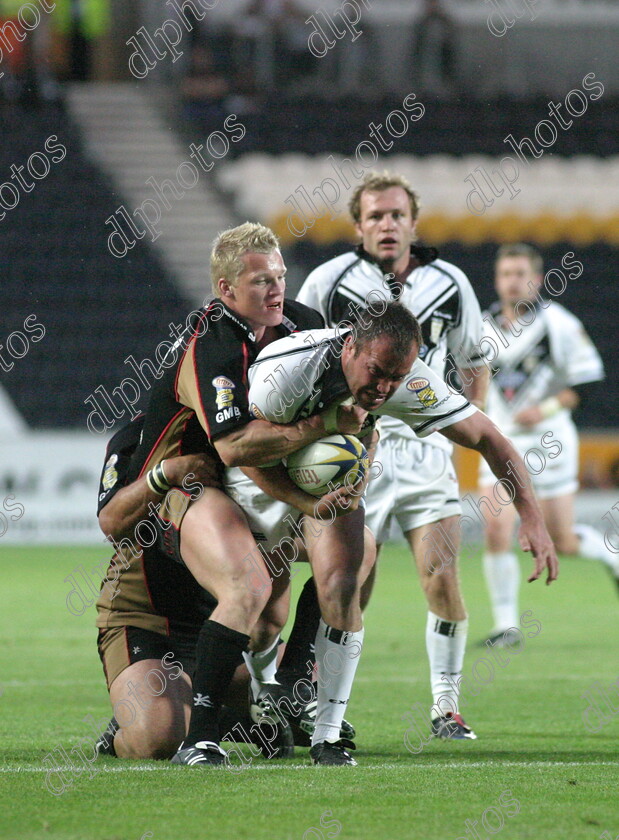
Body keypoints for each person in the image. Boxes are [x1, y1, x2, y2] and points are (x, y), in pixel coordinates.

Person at [247, 302, 559, 757]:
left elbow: (490, 438)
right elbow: (239, 449)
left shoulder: (409, 380)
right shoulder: (287, 372)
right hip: (257, 474)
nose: (384, 387)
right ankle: (259, 699)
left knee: (344, 578)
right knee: (261, 613)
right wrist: (315, 454)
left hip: (332, 484)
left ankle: (326, 734)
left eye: (398, 375)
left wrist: (532, 518)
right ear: (350, 346)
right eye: (376, 371)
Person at [122, 222, 369, 767]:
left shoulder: (304, 326)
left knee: (359, 554)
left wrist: (358, 456)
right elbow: (232, 449)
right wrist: (323, 428)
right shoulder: (209, 343)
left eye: (279, 277)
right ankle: (200, 738)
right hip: (195, 482)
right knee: (249, 584)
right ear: (226, 290)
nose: (277, 290)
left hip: (269, 476)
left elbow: (354, 407)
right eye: (260, 282)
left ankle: (291, 686)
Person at [297, 171, 489, 740]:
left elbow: (474, 358)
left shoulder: (450, 282)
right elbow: (298, 346)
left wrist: (457, 425)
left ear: (413, 222)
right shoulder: (330, 281)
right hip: (356, 451)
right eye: (376, 216)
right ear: (359, 225)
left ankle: (446, 709)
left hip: (427, 455)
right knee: (352, 579)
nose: (387, 224)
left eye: (397, 215)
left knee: (442, 578)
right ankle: (322, 704)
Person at [94, 414, 296, 762]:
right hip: (147, 615)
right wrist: (165, 474)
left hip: (228, 624)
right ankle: (124, 733)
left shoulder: (255, 436)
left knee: (302, 691)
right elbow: (112, 522)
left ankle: (211, 714)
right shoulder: (139, 434)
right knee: (157, 739)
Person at [479, 243, 617, 644]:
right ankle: (506, 625)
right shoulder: (481, 328)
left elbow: (587, 382)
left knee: (563, 541)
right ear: (497, 280)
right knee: (495, 528)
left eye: (521, 274)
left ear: (537, 280)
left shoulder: (559, 324)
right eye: (506, 274)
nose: (512, 282)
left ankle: (612, 555)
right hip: (502, 445)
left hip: (550, 443)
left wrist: (548, 407)